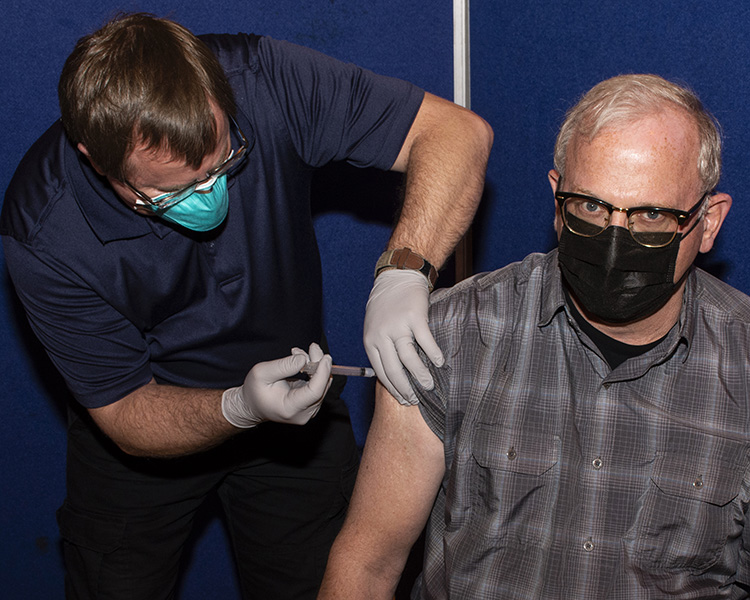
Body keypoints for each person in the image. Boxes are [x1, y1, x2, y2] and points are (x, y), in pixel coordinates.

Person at [0, 13, 492, 600]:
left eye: (224, 162)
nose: (212, 194)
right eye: (174, 190)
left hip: (300, 410)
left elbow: (457, 133)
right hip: (145, 434)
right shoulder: (43, 232)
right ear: (97, 161)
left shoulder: (263, 79)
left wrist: (404, 272)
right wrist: (239, 406)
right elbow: (126, 412)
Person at [318, 74, 750, 599]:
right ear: (556, 197)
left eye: (652, 215)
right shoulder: (452, 337)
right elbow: (366, 566)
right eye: (590, 206)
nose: (615, 242)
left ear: (708, 223)